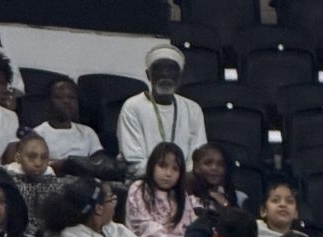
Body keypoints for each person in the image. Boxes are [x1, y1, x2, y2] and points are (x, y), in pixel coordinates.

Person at [118, 45, 206, 177]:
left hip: (185, 184)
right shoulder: (132, 106)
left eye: (171, 69)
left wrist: (181, 180)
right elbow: (134, 162)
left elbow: (197, 156)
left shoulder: (193, 109)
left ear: (180, 76)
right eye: (159, 69)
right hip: (145, 181)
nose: (165, 74)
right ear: (148, 75)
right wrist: (167, 175)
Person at [35, 77, 104, 166]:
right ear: (48, 102)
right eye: (59, 97)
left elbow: (99, 161)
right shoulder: (37, 135)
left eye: (72, 97)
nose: (66, 101)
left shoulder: (87, 132)